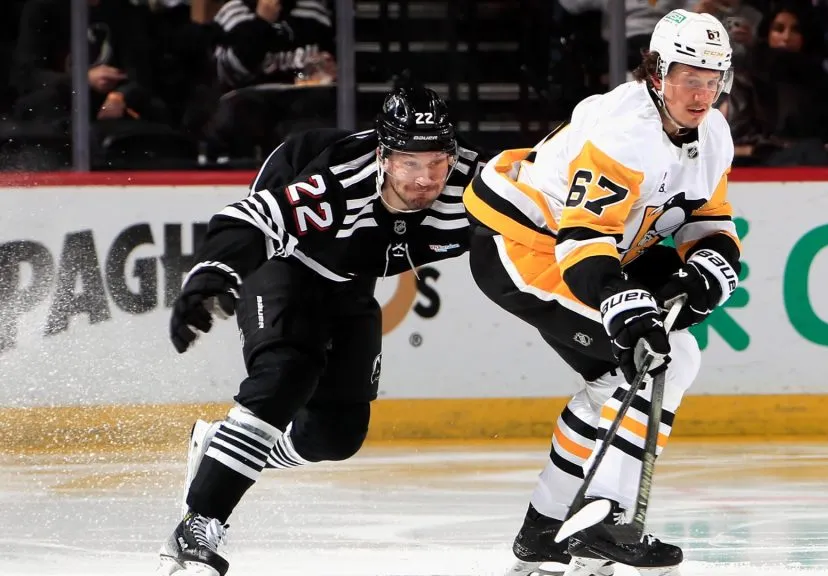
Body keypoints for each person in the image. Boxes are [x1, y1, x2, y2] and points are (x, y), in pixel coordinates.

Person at [156, 82, 485, 576]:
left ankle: (224, 449)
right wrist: (212, 275)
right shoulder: (338, 184)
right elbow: (251, 219)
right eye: (409, 164)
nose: (424, 180)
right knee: (285, 374)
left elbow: (554, 193)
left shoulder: (477, 185)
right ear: (383, 155)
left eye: (436, 162)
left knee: (335, 437)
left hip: (349, 281)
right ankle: (197, 524)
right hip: (285, 263)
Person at [463, 9, 741, 576]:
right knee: (669, 355)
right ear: (658, 72)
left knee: (614, 379)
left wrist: (710, 262)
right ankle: (603, 516)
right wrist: (623, 303)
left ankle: (544, 531)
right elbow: (582, 238)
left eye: (713, 80)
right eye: (691, 76)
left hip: (585, 252)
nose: (702, 93)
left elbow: (706, 216)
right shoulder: (623, 130)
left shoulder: (713, 133)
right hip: (524, 252)